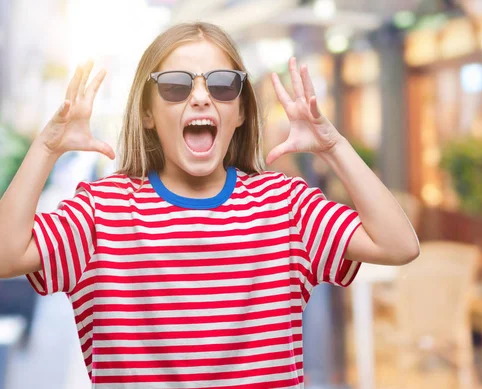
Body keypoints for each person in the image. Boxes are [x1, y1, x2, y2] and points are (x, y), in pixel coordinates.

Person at [0, 22, 420, 388]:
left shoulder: (285, 206)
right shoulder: (102, 212)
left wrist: (333, 146)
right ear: (147, 113)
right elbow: (6, 255)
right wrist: (46, 147)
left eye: (221, 84)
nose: (201, 97)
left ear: (239, 111)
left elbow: (398, 245)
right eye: (176, 85)